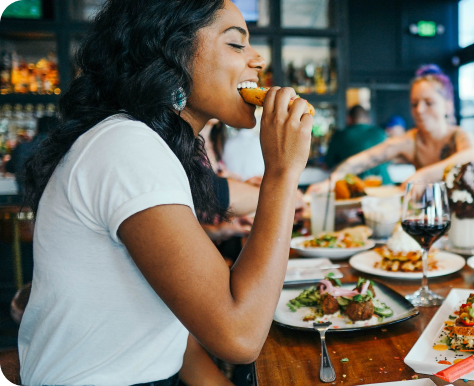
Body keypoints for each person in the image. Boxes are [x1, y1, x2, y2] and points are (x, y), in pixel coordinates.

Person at [17, 1, 312, 384]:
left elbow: (171, 336)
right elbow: (240, 336)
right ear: (171, 55)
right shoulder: (126, 147)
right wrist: (283, 173)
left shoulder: (151, 146)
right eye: (236, 44)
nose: (258, 59)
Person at [307, 64, 474, 192]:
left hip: (465, 222)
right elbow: (364, 159)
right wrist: (331, 181)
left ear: (448, 106)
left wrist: (422, 176)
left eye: (429, 103)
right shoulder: (411, 140)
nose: (419, 110)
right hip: (430, 220)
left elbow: (473, 156)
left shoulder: (459, 135)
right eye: (414, 104)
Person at [324, 105, 390, 183]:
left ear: (349, 119)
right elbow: (389, 160)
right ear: (368, 119)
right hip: (384, 185)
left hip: (355, 186)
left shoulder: (340, 135)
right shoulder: (381, 133)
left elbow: (327, 164)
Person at [4, 116, 59, 196]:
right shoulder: (61, 149)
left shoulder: (21, 148)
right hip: (53, 201)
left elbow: (9, 168)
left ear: (37, 129)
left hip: (23, 201)